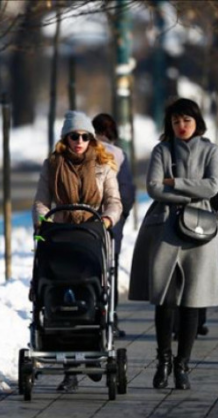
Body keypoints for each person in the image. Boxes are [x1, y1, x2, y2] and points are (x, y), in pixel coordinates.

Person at [129, 98, 218, 390]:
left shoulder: (211, 150)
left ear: (197, 122)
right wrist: (188, 194)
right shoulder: (161, 150)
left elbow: (213, 186)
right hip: (165, 228)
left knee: (192, 302)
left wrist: (175, 183)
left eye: (187, 121)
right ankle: (163, 360)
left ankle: (183, 365)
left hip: (200, 230)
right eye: (175, 122)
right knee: (165, 299)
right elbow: (154, 188)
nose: (181, 127)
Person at [33, 110, 123, 392]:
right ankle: (70, 370)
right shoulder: (52, 166)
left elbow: (114, 202)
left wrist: (106, 219)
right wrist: (44, 222)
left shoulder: (104, 166)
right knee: (58, 297)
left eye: (85, 136)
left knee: (93, 296)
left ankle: (95, 349)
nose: (80, 141)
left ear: (92, 139)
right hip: (60, 238)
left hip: (91, 237)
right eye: (74, 136)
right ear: (65, 139)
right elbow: (40, 202)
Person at [92, 113, 135, 339]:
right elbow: (126, 192)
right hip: (109, 222)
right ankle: (111, 316)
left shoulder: (79, 148)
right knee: (110, 270)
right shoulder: (117, 154)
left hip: (81, 226)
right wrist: (120, 217)